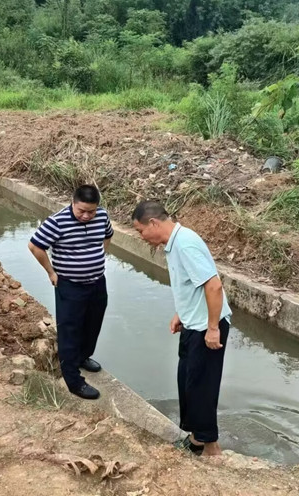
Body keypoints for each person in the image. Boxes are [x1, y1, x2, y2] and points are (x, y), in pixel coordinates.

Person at [131, 201, 232, 456]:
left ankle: (212, 448)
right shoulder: (173, 245)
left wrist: (212, 328)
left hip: (206, 328)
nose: (142, 238)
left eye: (141, 231)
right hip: (193, 322)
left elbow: (213, 286)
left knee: (202, 386)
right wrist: (181, 313)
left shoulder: (185, 243)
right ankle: (197, 438)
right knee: (187, 381)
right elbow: (192, 284)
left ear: (153, 223)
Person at [28, 185, 113, 399]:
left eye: (91, 211)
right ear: (72, 203)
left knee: (93, 324)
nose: (86, 216)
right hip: (70, 285)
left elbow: (108, 235)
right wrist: (51, 272)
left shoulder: (101, 216)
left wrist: (100, 255)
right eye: (81, 211)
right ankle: (73, 380)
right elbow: (35, 246)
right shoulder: (56, 222)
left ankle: (83, 357)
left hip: (96, 283)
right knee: (70, 331)